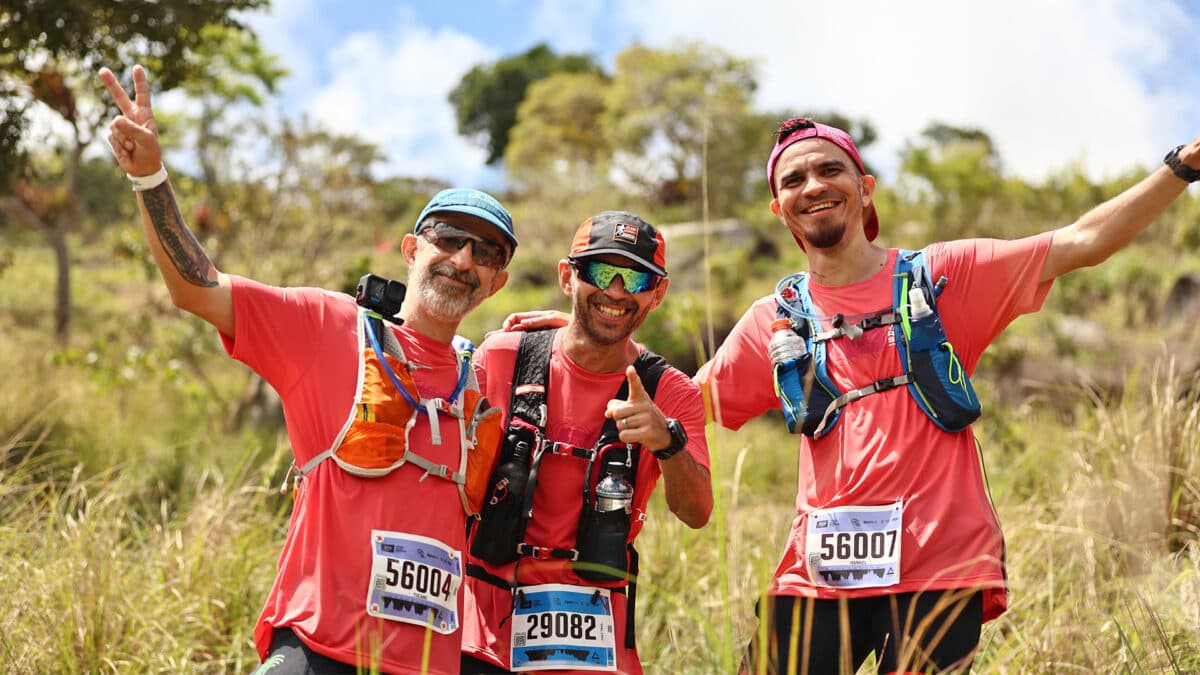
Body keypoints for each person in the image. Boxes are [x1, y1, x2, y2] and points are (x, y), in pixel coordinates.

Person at [692, 117, 1200, 674]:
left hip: (941, 568)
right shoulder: (775, 320)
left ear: (865, 189)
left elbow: (1084, 241)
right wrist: (611, 335)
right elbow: (683, 403)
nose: (813, 186)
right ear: (779, 209)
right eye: (794, 180)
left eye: (829, 169)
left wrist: (1181, 167)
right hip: (818, 573)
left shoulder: (940, 277)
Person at [100, 64, 518, 675]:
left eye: (486, 253)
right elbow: (198, 288)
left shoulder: (483, 383)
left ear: (496, 282)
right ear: (411, 249)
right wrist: (149, 177)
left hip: (430, 664)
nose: (462, 260)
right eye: (449, 238)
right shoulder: (331, 327)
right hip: (317, 651)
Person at [459, 212, 714, 674]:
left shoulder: (671, 391)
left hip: (596, 644)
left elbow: (697, 512)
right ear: (567, 277)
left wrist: (667, 443)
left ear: (657, 294)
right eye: (599, 271)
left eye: (635, 278)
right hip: (480, 634)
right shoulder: (501, 356)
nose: (616, 290)